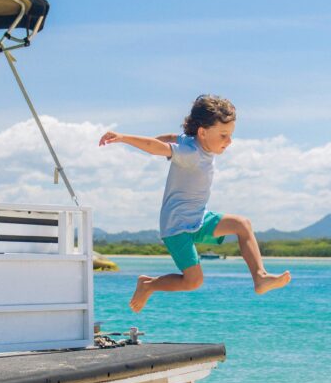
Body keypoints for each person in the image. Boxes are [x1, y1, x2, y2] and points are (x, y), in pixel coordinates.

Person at [99, 94, 292, 312]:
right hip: (177, 227)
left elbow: (171, 137)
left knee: (242, 224)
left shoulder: (193, 143)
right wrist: (124, 137)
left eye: (230, 135)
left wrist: (158, 139)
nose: (229, 141)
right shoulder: (189, 153)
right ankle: (148, 284)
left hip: (199, 218)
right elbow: (157, 147)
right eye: (224, 135)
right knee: (193, 281)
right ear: (202, 132)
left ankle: (260, 277)